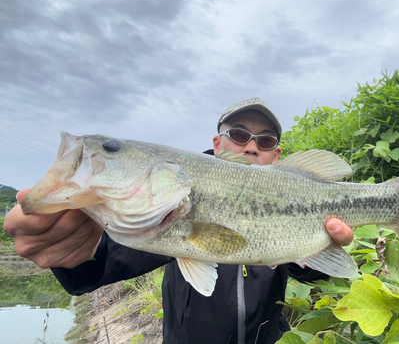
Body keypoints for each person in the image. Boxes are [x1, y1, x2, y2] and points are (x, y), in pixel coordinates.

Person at [4, 97, 354, 344]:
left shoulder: (295, 190)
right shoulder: (168, 205)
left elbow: (308, 272)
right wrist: (73, 253)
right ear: (217, 143)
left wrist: (322, 249)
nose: (250, 146)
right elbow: (104, 261)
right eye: (239, 134)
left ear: (277, 154)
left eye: (264, 140)